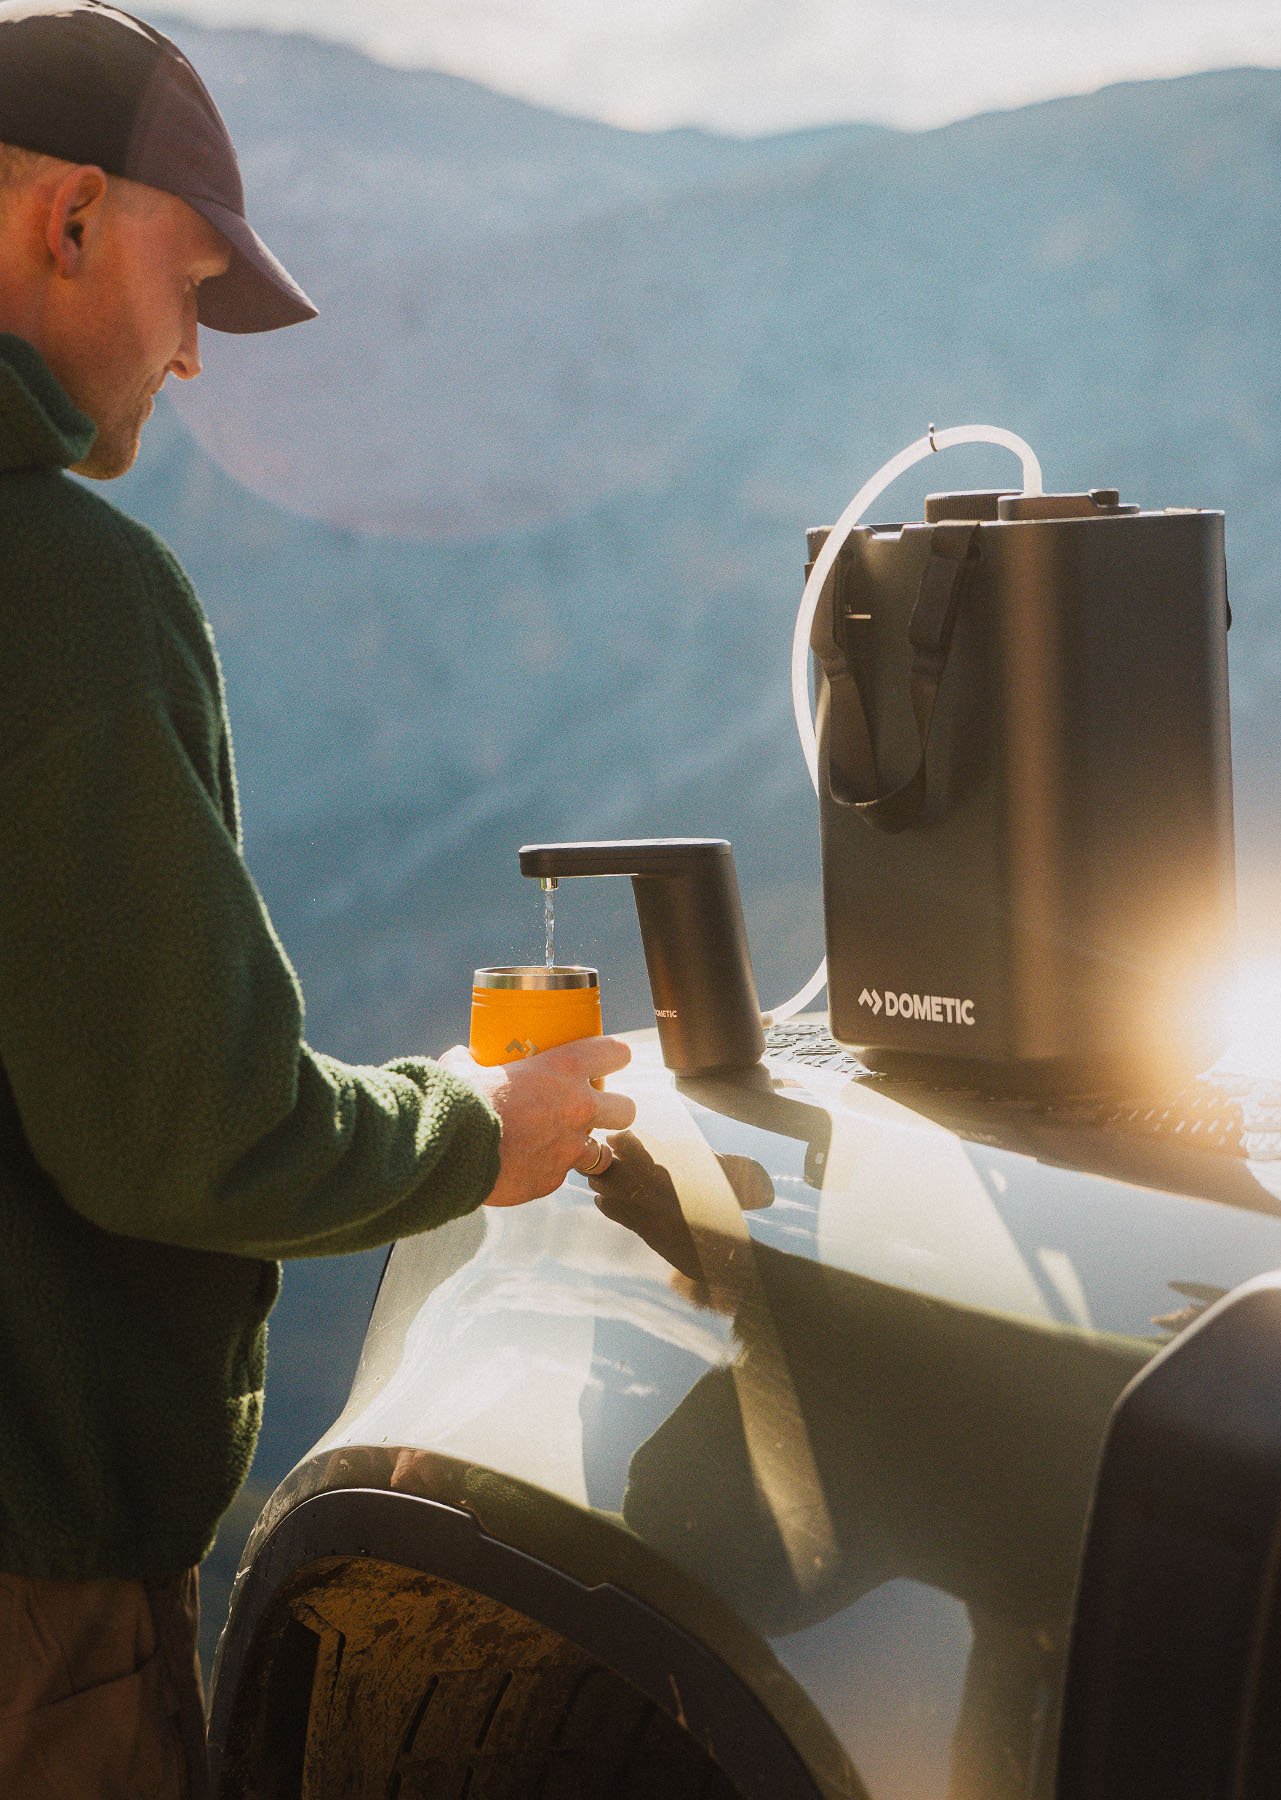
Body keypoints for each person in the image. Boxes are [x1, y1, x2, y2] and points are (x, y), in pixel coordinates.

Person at [0, 4, 634, 1794]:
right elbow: (185, 1136)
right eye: (190, 281)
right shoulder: (60, 591)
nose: (194, 358)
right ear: (66, 221)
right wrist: (480, 1129)